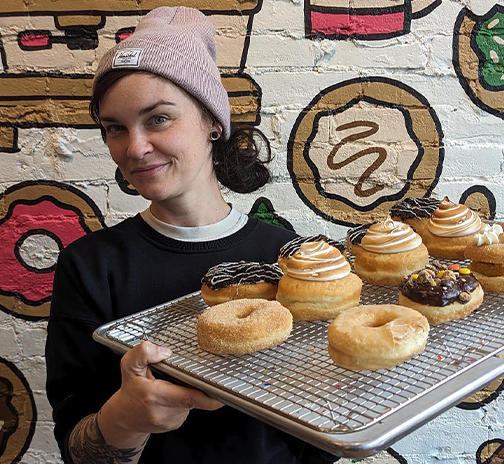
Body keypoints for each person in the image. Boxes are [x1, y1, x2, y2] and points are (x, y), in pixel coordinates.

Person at [45, 6, 339, 464]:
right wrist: (123, 421)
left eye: (158, 119)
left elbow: (322, 422)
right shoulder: (90, 266)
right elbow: (77, 448)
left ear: (212, 122)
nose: (134, 148)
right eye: (115, 128)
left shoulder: (284, 255)